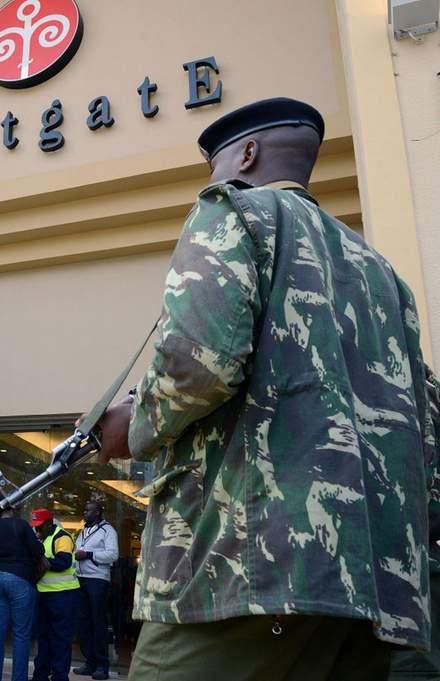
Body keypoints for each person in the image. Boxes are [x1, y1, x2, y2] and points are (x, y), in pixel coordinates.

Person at [92, 97, 439, 681]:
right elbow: (423, 424)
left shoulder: (234, 210)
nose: (212, 180)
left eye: (216, 166)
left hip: (243, 569)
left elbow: (197, 365)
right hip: (372, 587)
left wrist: (136, 424)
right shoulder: (382, 274)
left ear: (247, 154)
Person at [0, 502, 44, 681]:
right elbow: (38, 552)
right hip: (19, 578)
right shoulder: (22, 526)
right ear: (12, 509)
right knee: (21, 634)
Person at [31, 508, 80, 681]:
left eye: (40, 526)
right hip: (45, 594)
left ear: (50, 523)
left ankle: (59, 676)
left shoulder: (62, 537)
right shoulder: (43, 539)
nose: (37, 530)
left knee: (61, 639)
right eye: (35, 527)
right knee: (43, 638)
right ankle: (40, 675)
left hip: (63, 594)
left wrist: (44, 562)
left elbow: (64, 562)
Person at [73, 501, 117, 680]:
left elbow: (113, 554)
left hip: (98, 580)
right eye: (84, 510)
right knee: (84, 623)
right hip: (81, 579)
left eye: (88, 510)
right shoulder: (83, 531)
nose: (84, 512)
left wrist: (89, 555)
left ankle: (102, 665)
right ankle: (90, 662)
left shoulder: (108, 530)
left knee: (98, 623)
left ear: (98, 512)